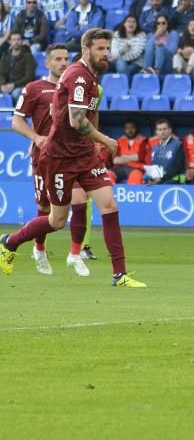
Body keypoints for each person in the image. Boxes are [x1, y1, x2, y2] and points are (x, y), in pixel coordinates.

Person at [0, 28, 146, 287]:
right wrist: (104, 140)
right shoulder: (78, 76)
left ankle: (120, 274)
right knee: (56, 220)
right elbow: (76, 120)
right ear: (86, 49)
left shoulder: (92, 79)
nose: (106, 53)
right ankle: (9, 243)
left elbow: (90, 116)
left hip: (85, 155)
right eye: (100, 49)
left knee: (109, 206)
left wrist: (96, 145)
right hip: (60, 158)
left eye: (107, 48)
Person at [10, 43, 92, 276]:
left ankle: (75, 254)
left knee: (80, 200)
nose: (63, 63)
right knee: (44, 209)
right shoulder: (34, 89)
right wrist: (34, 137)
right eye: (57, 59)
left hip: (72, 157)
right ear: (47, 63)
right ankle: (39, 248)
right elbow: (16, 121)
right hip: (44, 158)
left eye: (66, 58)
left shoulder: (77, 86)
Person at [111, 120, 150, 185]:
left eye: (132, 127)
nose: (130, 130)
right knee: (108, 174)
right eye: (127, 128)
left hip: (136, 169)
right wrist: (134, 157)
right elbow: (115, 160)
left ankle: (132, 194)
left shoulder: (143, 140)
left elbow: (140, 157)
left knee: (135, 175)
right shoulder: (119, 141)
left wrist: (122, 157)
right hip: (121, 169)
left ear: (136, 128)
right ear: (124, 129)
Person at [0, 31, 36, 102]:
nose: (16, 42)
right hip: (6, 85)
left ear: (22, 41)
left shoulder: (28, 56)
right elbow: (1, 73)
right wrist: (2, 85)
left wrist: (14, 85)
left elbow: (29, 76)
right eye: (14, 40)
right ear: (10, 42)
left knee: (16, 94)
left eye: (18, 39)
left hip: (21, 86)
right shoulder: (5, 56)